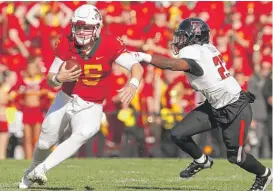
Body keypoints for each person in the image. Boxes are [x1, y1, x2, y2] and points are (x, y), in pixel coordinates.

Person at [131, 18, 272, 191]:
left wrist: (143, 56)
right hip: (216, 104)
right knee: (178, 134)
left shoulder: (193, 52)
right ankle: (201, 160)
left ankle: (265, 174)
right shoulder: (206, 49)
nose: (179, 41)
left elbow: (171, 64)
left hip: (235, 107)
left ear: (194, 38)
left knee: (237, 157)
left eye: (183, 37)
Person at [19, 4, 143, 189]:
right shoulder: (66, 42)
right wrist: (59, 78)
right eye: (78, 26)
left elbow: (136, 67)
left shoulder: (109, 44)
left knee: (83, 133)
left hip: (91, 105)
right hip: (66, 98)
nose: (82, 31)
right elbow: (50, 78)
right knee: (45, 142)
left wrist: (132, 84)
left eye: (87, 27)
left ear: (98, 27)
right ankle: (32, 169)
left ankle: (42, 169)